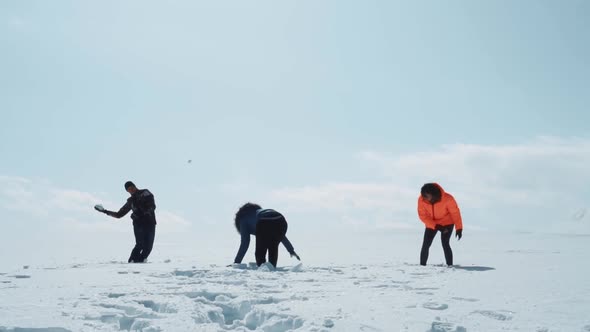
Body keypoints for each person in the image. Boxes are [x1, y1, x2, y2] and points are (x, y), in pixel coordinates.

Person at [94, 181, 157, 263]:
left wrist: (142, 213)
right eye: (128, 190)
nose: (131, 190)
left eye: (131, 188)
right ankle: (132, 262)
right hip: (138, 224)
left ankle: (140, 262)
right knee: (140, 244)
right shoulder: (131, 201)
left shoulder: (145, 193)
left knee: (148, 247)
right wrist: (105, 211)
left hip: (150, 223)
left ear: (135, 186)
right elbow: (119, 214)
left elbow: (152, 206)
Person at [233, 203, 300, 268]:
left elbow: (245, 243)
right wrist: (291, 250)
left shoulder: (242, 220)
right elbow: (282, 237)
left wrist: (236, 263)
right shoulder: (258, 212)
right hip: (280, 220)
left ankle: (265, 275)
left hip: (264, 221)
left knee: (260, 256)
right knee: (273, 248)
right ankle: (272, 270)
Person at [417, 183, 463, 266]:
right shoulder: (421, 200)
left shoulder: (448, 199)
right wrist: (435, 226)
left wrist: (459, 228)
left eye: (426, 196)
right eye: (423, 195)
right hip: (432, 223)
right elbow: (423, 216)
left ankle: (450, 266)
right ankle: (422, 267)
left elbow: (455, 213)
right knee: (426, 244)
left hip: (447, 222)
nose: (424, 198)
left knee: (445, 243)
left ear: (433, 194)